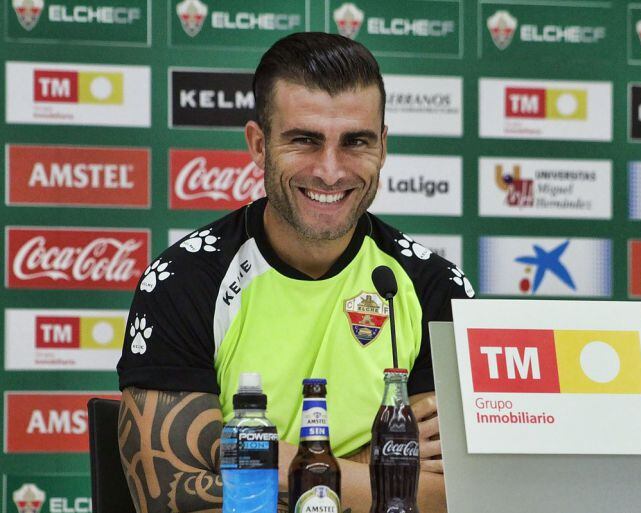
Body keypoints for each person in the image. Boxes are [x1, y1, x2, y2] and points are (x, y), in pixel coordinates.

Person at [117, 32, 474, 513]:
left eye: (356, 142)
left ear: (383, 147)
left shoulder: (435, 287)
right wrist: (378, 462)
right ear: (259, 145)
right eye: (304, 140)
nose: (330, 171)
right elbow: (168, 496)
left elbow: (455, 496)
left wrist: (247, 455)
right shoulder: (184, 280)